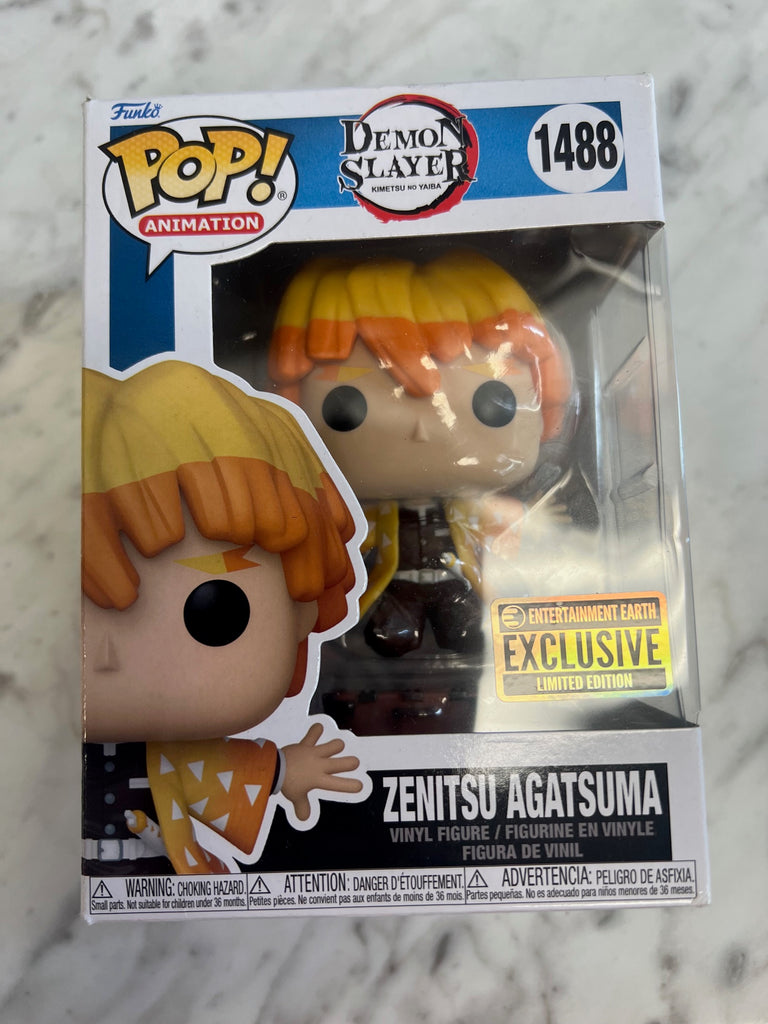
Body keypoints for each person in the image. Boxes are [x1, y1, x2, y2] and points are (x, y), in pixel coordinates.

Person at [82, 360, 364, 874]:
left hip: (161, 880)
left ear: (302, 610)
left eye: (214, 609)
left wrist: (287, 768)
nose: (102, 655)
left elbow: (213, 772)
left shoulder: (172, 756)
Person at [268, 251, 573, 659]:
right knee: (390, 633)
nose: (421, 430)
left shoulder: (471, 507)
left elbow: (501, 523)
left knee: (467, 630)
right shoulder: (365, 513)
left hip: (459, 583)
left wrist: (535, 521)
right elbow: (350, 539)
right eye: (345, 408)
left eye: (493, 401)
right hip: (396, 587)